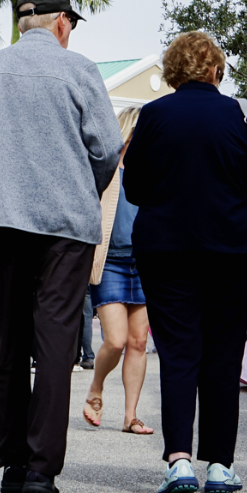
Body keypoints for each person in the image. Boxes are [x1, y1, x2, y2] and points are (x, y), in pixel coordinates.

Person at [0, 0, 122, 493]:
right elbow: (108, 148)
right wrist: (87, 187)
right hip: (66, 227)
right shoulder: (81, 70)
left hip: (6, 223)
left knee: (13, 340)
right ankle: (42, 470)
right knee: (57, 342)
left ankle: (14, 464)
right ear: (62, 22)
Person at [123, 31, 247, 493]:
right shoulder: (239, 114)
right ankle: (220, 464)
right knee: (223, 356)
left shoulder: (155, 115)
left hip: (167, 249)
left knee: (179, 354)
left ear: (173, 73)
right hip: (232, 248)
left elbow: (135, 188)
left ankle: (179, 461)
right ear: (216, 70)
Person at [83, 107, 153, 435]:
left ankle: (130, 416)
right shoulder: (105, 167)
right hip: (110, 260)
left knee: (139, 342)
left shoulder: (155, 166)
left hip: (145, 261)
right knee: (116, 339)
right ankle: (96, 386)